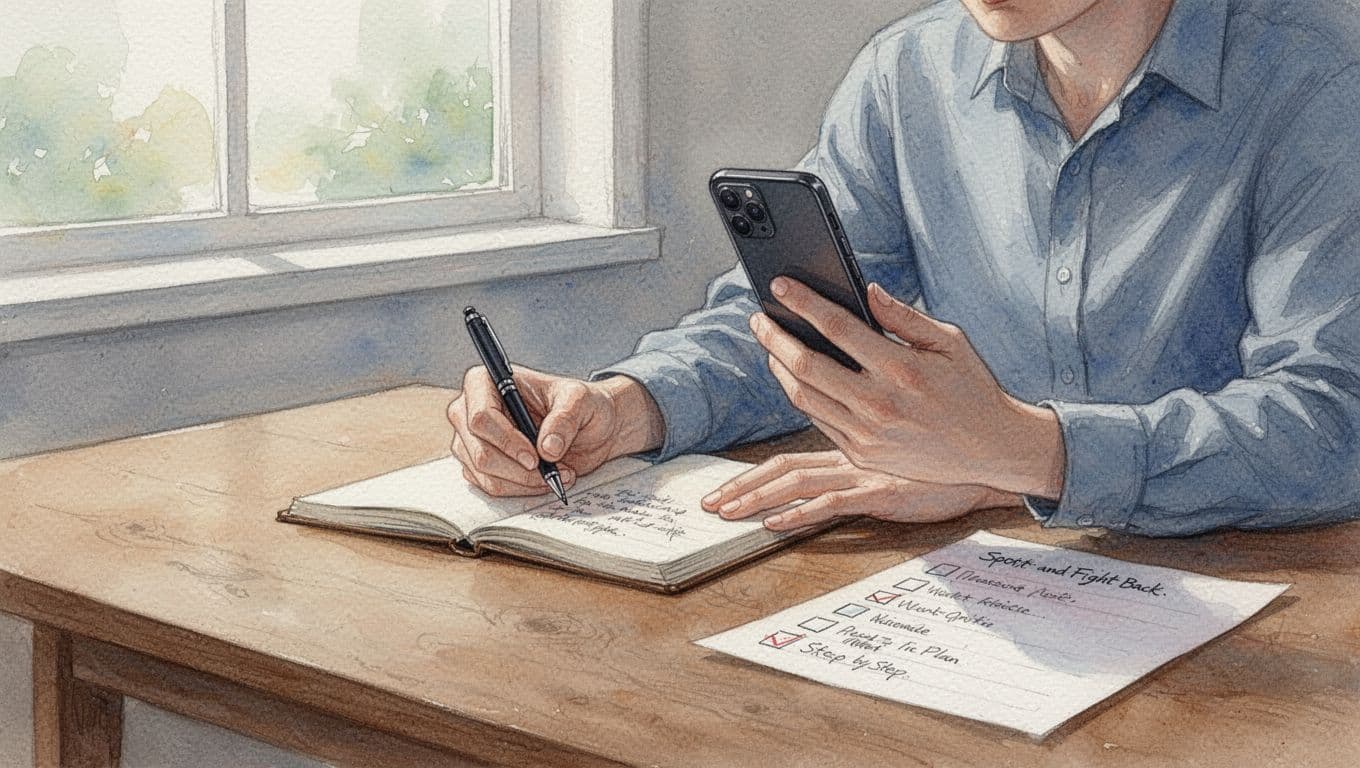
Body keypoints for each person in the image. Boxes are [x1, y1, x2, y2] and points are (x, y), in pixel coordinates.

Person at [448, 0, 1360, 537]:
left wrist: (1020, 451)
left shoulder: (1321, 86)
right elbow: (805, 320)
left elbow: (1334, 425)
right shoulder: (907, 75)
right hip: (977, 589)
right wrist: (622, 407)